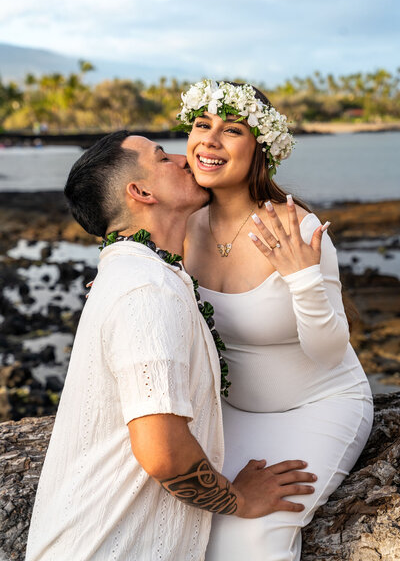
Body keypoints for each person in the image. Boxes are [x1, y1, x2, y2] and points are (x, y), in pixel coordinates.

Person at [25, 131, 317, 561]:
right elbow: (162, 452)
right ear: (140, 192)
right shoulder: (146, 290)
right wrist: (240, 500)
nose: (184, 158)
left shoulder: (138, 272)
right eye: (162, 158)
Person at [181, 80, 374, 561]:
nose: (209, 139)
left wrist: (302, 276)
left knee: (252, 539)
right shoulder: (178, 227)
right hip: (228, 414)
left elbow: (330, 350)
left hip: (318, 405)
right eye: (202, 125)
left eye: (231, 130)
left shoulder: (296, 227)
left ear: (260, 148)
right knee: (188, 525)